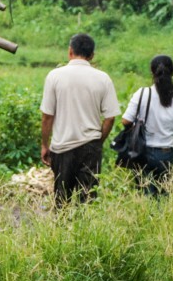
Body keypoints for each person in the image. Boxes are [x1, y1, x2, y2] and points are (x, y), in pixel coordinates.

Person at [40, 33, 121, 205]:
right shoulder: (103, 78)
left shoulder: (54, 76)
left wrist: (45, 145)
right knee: (88, 200)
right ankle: (86, 231)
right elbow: (110, 118)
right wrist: (98, 140)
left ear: (70, 52)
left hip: (62, 148)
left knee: (62, 200)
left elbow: (47, 116)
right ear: (92, 55)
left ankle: (62, 230)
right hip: (90, 146)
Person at [121, 54, 173, 197]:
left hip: (141, 151)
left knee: (143, 193)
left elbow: (125, 121)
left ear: (152, 72)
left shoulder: (142, 94)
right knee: (163, 195)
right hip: (165, 154)